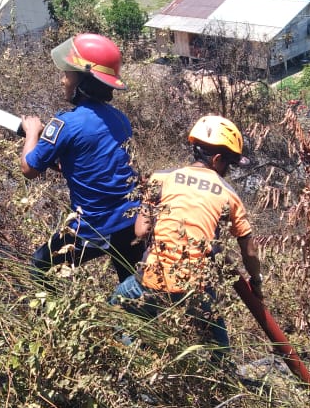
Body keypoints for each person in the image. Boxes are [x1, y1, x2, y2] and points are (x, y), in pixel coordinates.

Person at [108, 115, 263, 360]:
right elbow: (250, 251)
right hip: (195, 289)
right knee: (217, 347)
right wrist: (256, 281)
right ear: (217, 159)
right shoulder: (229, 195)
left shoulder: (160, 178)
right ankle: (224, 373)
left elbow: (140, 231)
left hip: (152, 280)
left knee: (115, 308)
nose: (228, 171)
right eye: (229, 164)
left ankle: (135, 361)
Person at [20, 33, 144, 283]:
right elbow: (98, 162)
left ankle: (50, 320)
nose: (62, 80)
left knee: (39, 265)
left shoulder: (65, 124)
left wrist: (32, 132)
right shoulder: (121, 119)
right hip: (130, 223)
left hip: (93, 229)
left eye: (67, 74)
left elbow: (29, 168)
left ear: (83, 81)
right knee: (132, 294)